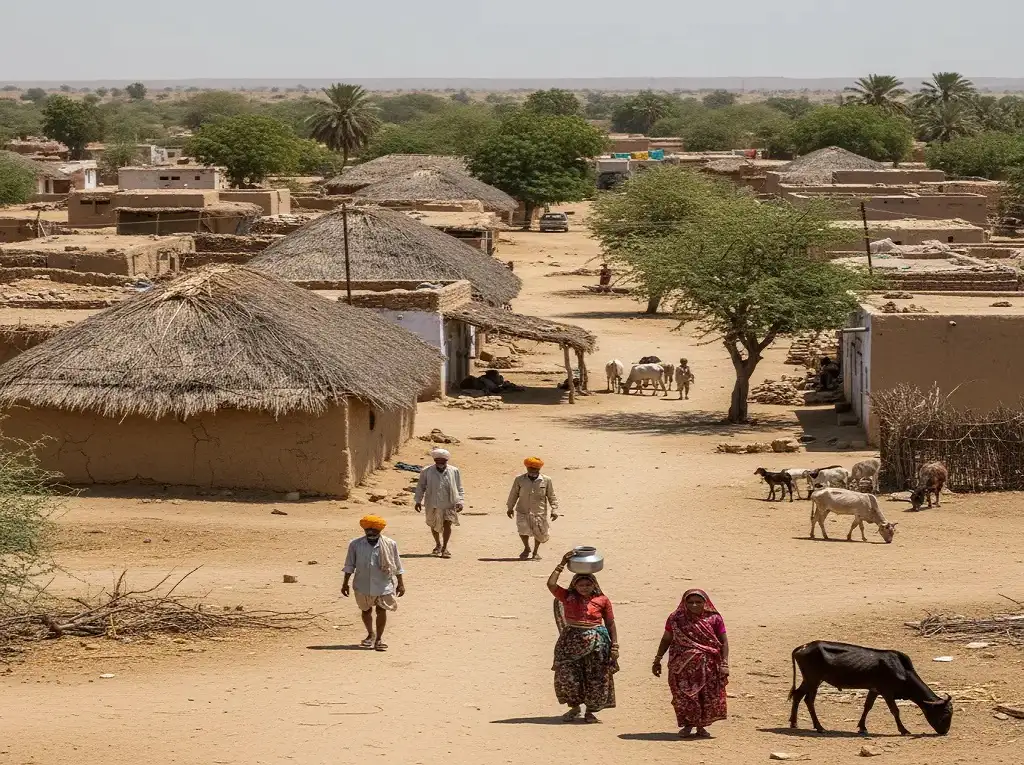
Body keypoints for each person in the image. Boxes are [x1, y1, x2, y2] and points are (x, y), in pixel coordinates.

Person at [547, 551, 619, 723]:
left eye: (588, 585)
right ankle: (574, 707)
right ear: (575, 586)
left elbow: (610, 623)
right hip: (570, 641)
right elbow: (551, 584)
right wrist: (562, 562)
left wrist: (615, 645)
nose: (584, 588)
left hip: (597, 643)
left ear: (594, 585)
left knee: (595, 676)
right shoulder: (568, 597)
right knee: (568, 674)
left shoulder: (603, 600)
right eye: (581, 585)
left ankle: (590, 711)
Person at [652, 589, 729, 738]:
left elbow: (724, 641)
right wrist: (657, 659)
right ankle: (687, 725)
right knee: (683, 696)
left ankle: (701, 727)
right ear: (684, 603)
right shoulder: (675, 618)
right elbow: (666, 639)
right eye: (690, 602)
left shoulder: (714, 619)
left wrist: (725, 664)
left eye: (698, 602)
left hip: (708, 665)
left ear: (705, 603)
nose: (694, 605)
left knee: (705, 695)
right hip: (681, 666)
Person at [341, 515, 405, 652]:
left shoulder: (390, 544)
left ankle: (379, 639)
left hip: (383, 584)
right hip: (362, 584)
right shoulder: (355, 544)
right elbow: (349, 565)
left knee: (382, 610)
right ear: (364, 530)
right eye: (368, 530)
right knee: (366, 610)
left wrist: (401, 583)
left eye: (374, 531)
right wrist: (345, 583)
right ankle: (370, 634)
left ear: (379, 531)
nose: (371, 533)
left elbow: (397, 565)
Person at [414, 448, 464, 558]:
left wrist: (460, 501)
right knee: (433, 524)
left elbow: (459, 487)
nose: (440, 464)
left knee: (448, 523)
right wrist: (418, 501)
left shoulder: (454, 471)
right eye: (438, 461)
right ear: (435, 460)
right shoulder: (426, 471)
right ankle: (438, 544)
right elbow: (420, 486)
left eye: (443, 461)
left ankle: (445, 548)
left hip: (449, 502)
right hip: (432, 502)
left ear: (446, 460)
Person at [506, 457, 559, 560]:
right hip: (523, 510)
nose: (534, 471)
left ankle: (535, 552)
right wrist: (510, 507)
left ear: (539, 469)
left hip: (539, 511)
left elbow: (551, 495)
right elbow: (513, 494)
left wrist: (554, 509)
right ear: (527, 468)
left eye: (536, 469)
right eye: (531, 469)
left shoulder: (546, 480)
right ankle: (527, 548)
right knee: (522, 531)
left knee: (538, 533)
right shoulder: (519, 480)